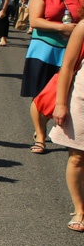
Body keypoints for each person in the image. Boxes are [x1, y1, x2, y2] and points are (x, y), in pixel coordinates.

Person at [24, 0, 83, 154]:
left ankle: (68, 133)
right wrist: (62, 28)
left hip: (74, 52)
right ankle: (40, 135)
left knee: (69, 94)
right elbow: (35, 21)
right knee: (41, 95)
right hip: (44, 50)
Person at [51, 19, 84, 231]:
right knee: (78, 156)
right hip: (82, 99)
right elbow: (68, 66)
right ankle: (80, 209)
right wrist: (60, 103)